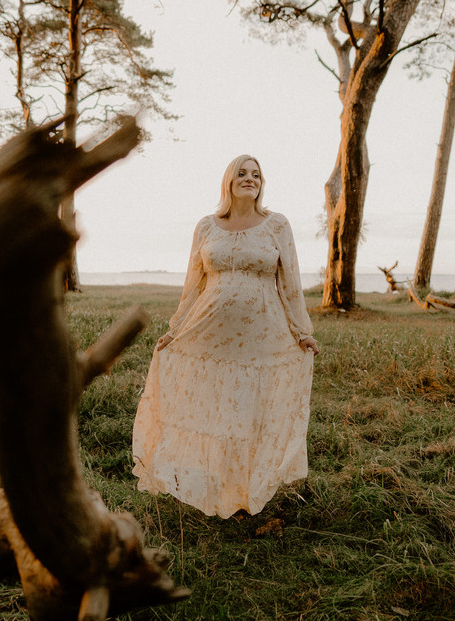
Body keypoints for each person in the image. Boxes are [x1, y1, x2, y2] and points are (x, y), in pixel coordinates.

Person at [132, 154, 319, 519]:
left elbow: (290, 283)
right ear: (229, 182)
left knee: (249, 409)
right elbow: (193, 284)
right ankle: (214, 484)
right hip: (209, 333)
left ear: (262, 184)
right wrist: (175, 330)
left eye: (256, 174)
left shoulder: (277, 225)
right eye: (242, 173)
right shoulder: (207, 227)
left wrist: (302, 332)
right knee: (213, 405)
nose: (250, 179)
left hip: (263, 334)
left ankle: (247, 490)